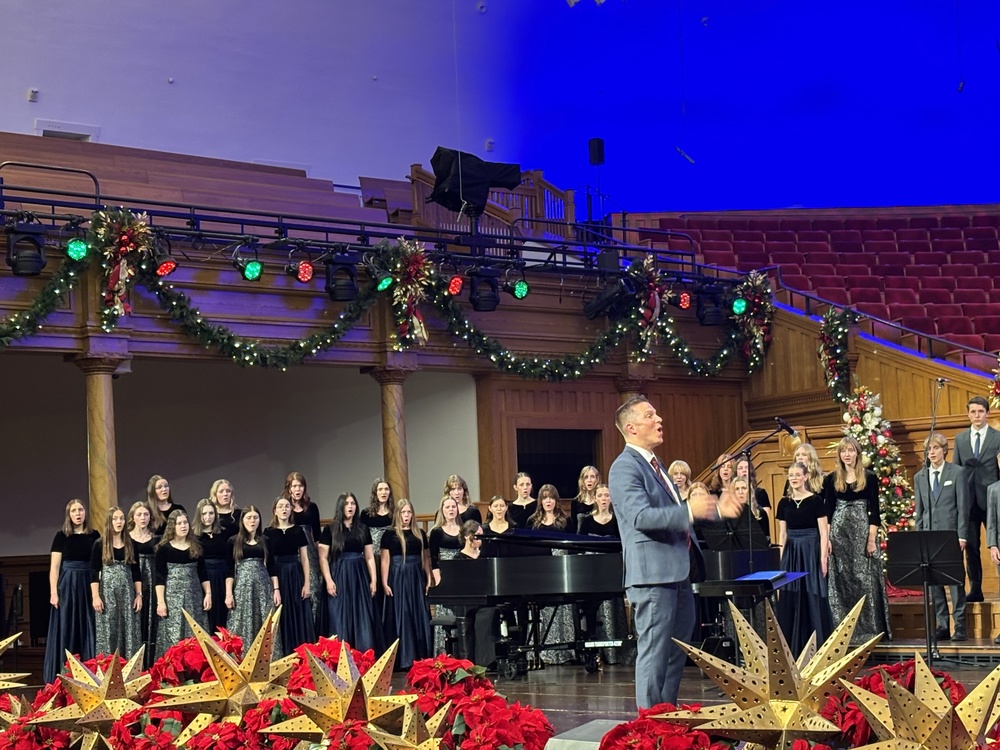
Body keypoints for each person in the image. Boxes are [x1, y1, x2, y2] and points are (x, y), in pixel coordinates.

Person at [608, 396, 741, 709]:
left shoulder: (658, 465)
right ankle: (649, 726)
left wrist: (717, 510)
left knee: (674, 655)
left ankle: (667, 722)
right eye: (650, 415)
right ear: (631, 427)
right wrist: (689, 511)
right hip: (653, 577)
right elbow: (642, 518)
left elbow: (681, 513)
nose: (659, 419)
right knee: (654, 655)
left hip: (677, 573)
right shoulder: (624, 467)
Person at [823, 435, 891, 644]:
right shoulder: (831, 479)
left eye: (851, 451)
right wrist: (827, 539)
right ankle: (844, 632)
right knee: (843, 580)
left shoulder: (869, 477)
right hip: (839, 533)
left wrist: (871, 539)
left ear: (857, 453)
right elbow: (827, 511)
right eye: (844, 451)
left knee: (865, 579)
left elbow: (875, 512)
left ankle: (871, 630)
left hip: (862, 533)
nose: (847, 455)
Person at [914, 433, 969, 641]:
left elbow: (963, 507)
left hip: (951, 535)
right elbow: (920, 511)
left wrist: (962, 535)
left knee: (955, 582)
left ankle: (961, 625)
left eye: (936, 448)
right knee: (934, 582)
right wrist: (918, 539)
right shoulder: (920, 477)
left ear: (944, 450)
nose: (932, 453)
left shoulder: (957, 473)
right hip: (928, 536)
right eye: (929, 450)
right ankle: (943, 625)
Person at [776, 462, 833, 655]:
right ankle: (792, 648)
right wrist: (781, 560)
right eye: (790, 475)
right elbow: (782, 534)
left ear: (806, 477)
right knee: (791, 595)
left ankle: (816, 647)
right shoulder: (784, 503)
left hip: (810, 550)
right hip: (791, 551)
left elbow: (824, 533)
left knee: (812, 594)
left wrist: (823, 558)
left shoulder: (816, 501)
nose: (793, 478)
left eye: (797, 474)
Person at [44, 499, 101, 684]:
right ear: (69, 514)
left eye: (81, 510)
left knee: (88, 625)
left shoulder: (95, 536)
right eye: (74, 510)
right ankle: (65, 674)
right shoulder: (61, 536)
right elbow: (54, 568)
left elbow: (99, 565)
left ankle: (90, 672)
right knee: (67, 626)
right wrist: (54, 592)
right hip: (68, 584)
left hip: (88, 583)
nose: (78, 513)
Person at [954, 396, 1000, 603]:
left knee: (997, 543)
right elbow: (956, 470)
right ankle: (976, 588)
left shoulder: (997, 437)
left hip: (992, 500)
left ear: (987, 413)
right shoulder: (960, 439)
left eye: (980, 411)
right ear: (968, 414)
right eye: (972, 412)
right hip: (969, 501)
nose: (976, 416)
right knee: (971, 546)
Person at [318, 492, 377, 652]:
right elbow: (323, 558)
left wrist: (373, 580)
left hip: (359, 574)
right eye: (347, 504)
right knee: (339, 614)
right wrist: (329, 580)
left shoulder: (363, 529)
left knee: (361, 614)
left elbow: (369, 556)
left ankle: (362, 655)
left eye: (353, 503)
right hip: (339, 573)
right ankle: (340, 654)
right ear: (340, 507)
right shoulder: (330, 529)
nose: (350, 507)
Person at [380, 499, 433, 670]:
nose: (406, 516)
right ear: (398, 514)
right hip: (398, 577)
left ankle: (420, 656)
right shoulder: (389, 534)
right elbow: (385, 560)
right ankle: (403, 658)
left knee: (417, 613)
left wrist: (428, 578)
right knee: (401, 614)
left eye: (409, 512)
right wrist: (384, 582)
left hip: (416, 577)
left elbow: (425, 558)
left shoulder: (420, 534)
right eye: (403, 512)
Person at [225, 505, 281, 656]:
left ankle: (266, 658)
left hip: (263, 586)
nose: (252, 521)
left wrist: (276, 590)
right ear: (242, 520)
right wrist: (229, 594)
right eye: (249, 517)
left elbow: (272, 566)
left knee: (265, 620)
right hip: (243, 588)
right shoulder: (233, 541)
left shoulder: (265, 540)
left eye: (255, 517)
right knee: (241, 621)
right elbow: (230, 570)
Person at [154, 510, 210, 659]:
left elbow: (203, 572)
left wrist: (208, 594)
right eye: (179, 523)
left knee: (195, 630)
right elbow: (159, 577)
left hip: (194, 594)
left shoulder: (196, 546)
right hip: (172, 596)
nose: (183, 526)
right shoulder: (163, 548)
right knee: (173, 632)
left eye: (185, 522)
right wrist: (161, 602)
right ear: (172, 526)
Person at [264, 496, 315, 652]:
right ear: (275, 511)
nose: (284, 509)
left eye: (287, 506)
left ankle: (301, 651)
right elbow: (267, 561)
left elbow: (305, 559)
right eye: (280, 506)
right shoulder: (268, 532)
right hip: (276, 575)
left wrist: (307, 583)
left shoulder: (298, 530)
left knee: (298, 612)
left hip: (294, 574)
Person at [90, 506, 142, 659]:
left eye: (121, 518)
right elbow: (93, 572)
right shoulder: (100, 544)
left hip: (127, 593)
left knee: (129, 629)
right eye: (115, 519)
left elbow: (136, 572)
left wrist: (139, 595)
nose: (119, 522)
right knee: (109, 629)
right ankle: (107, 667)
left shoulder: (131, 544)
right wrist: (95, 596)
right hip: (107, 593)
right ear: (109, 522)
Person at [283, 472, 325, 635]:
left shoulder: (311, 507)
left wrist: (321, 556)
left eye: (300, 486)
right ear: (289, 488)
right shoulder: (284, 506)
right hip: (291, 552)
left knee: (313, 588)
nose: (297, 489)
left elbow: (317, 535)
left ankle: (313, 629)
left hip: (310, 552)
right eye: (294, 486)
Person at [360, 478, 394, 652]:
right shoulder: (366, 514)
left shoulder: (394, 513)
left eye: (386, 489)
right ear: (375, 493)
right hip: (372, 558)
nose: (383, 492)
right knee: (375, 596)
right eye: (380, 489)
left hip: (390, 559)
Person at [429, 495, 463, 655]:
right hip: (443, 577)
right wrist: (439, 581)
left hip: (460, 577)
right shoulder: (436, 532)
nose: (451, 510)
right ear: (442, 510)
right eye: (447, 507)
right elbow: (433, 559)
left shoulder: (463, 530)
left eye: (453, 507)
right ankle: (444, 653)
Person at [128, 501, 159, 668]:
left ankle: (150, 663)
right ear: (133, 517)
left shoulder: (156, 538)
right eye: (139, 514)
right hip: (132, 579)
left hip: (152, 578)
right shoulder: (127, 538)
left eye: (146, 514)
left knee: (151, 618)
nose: (143, 518)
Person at [192, 498, 230, 634]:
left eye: (211, 513)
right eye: (204, 514)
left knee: (222, 612)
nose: (208, 517)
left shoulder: (224, 533)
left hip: (222, 575)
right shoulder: (193, 536)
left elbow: (229, 558)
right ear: (199, 515)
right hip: (203, 576)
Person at [735, 457, 772, 537]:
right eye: (740, 468)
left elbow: (765, 519)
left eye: (746, 467)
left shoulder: (760, 493)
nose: (744, 470)